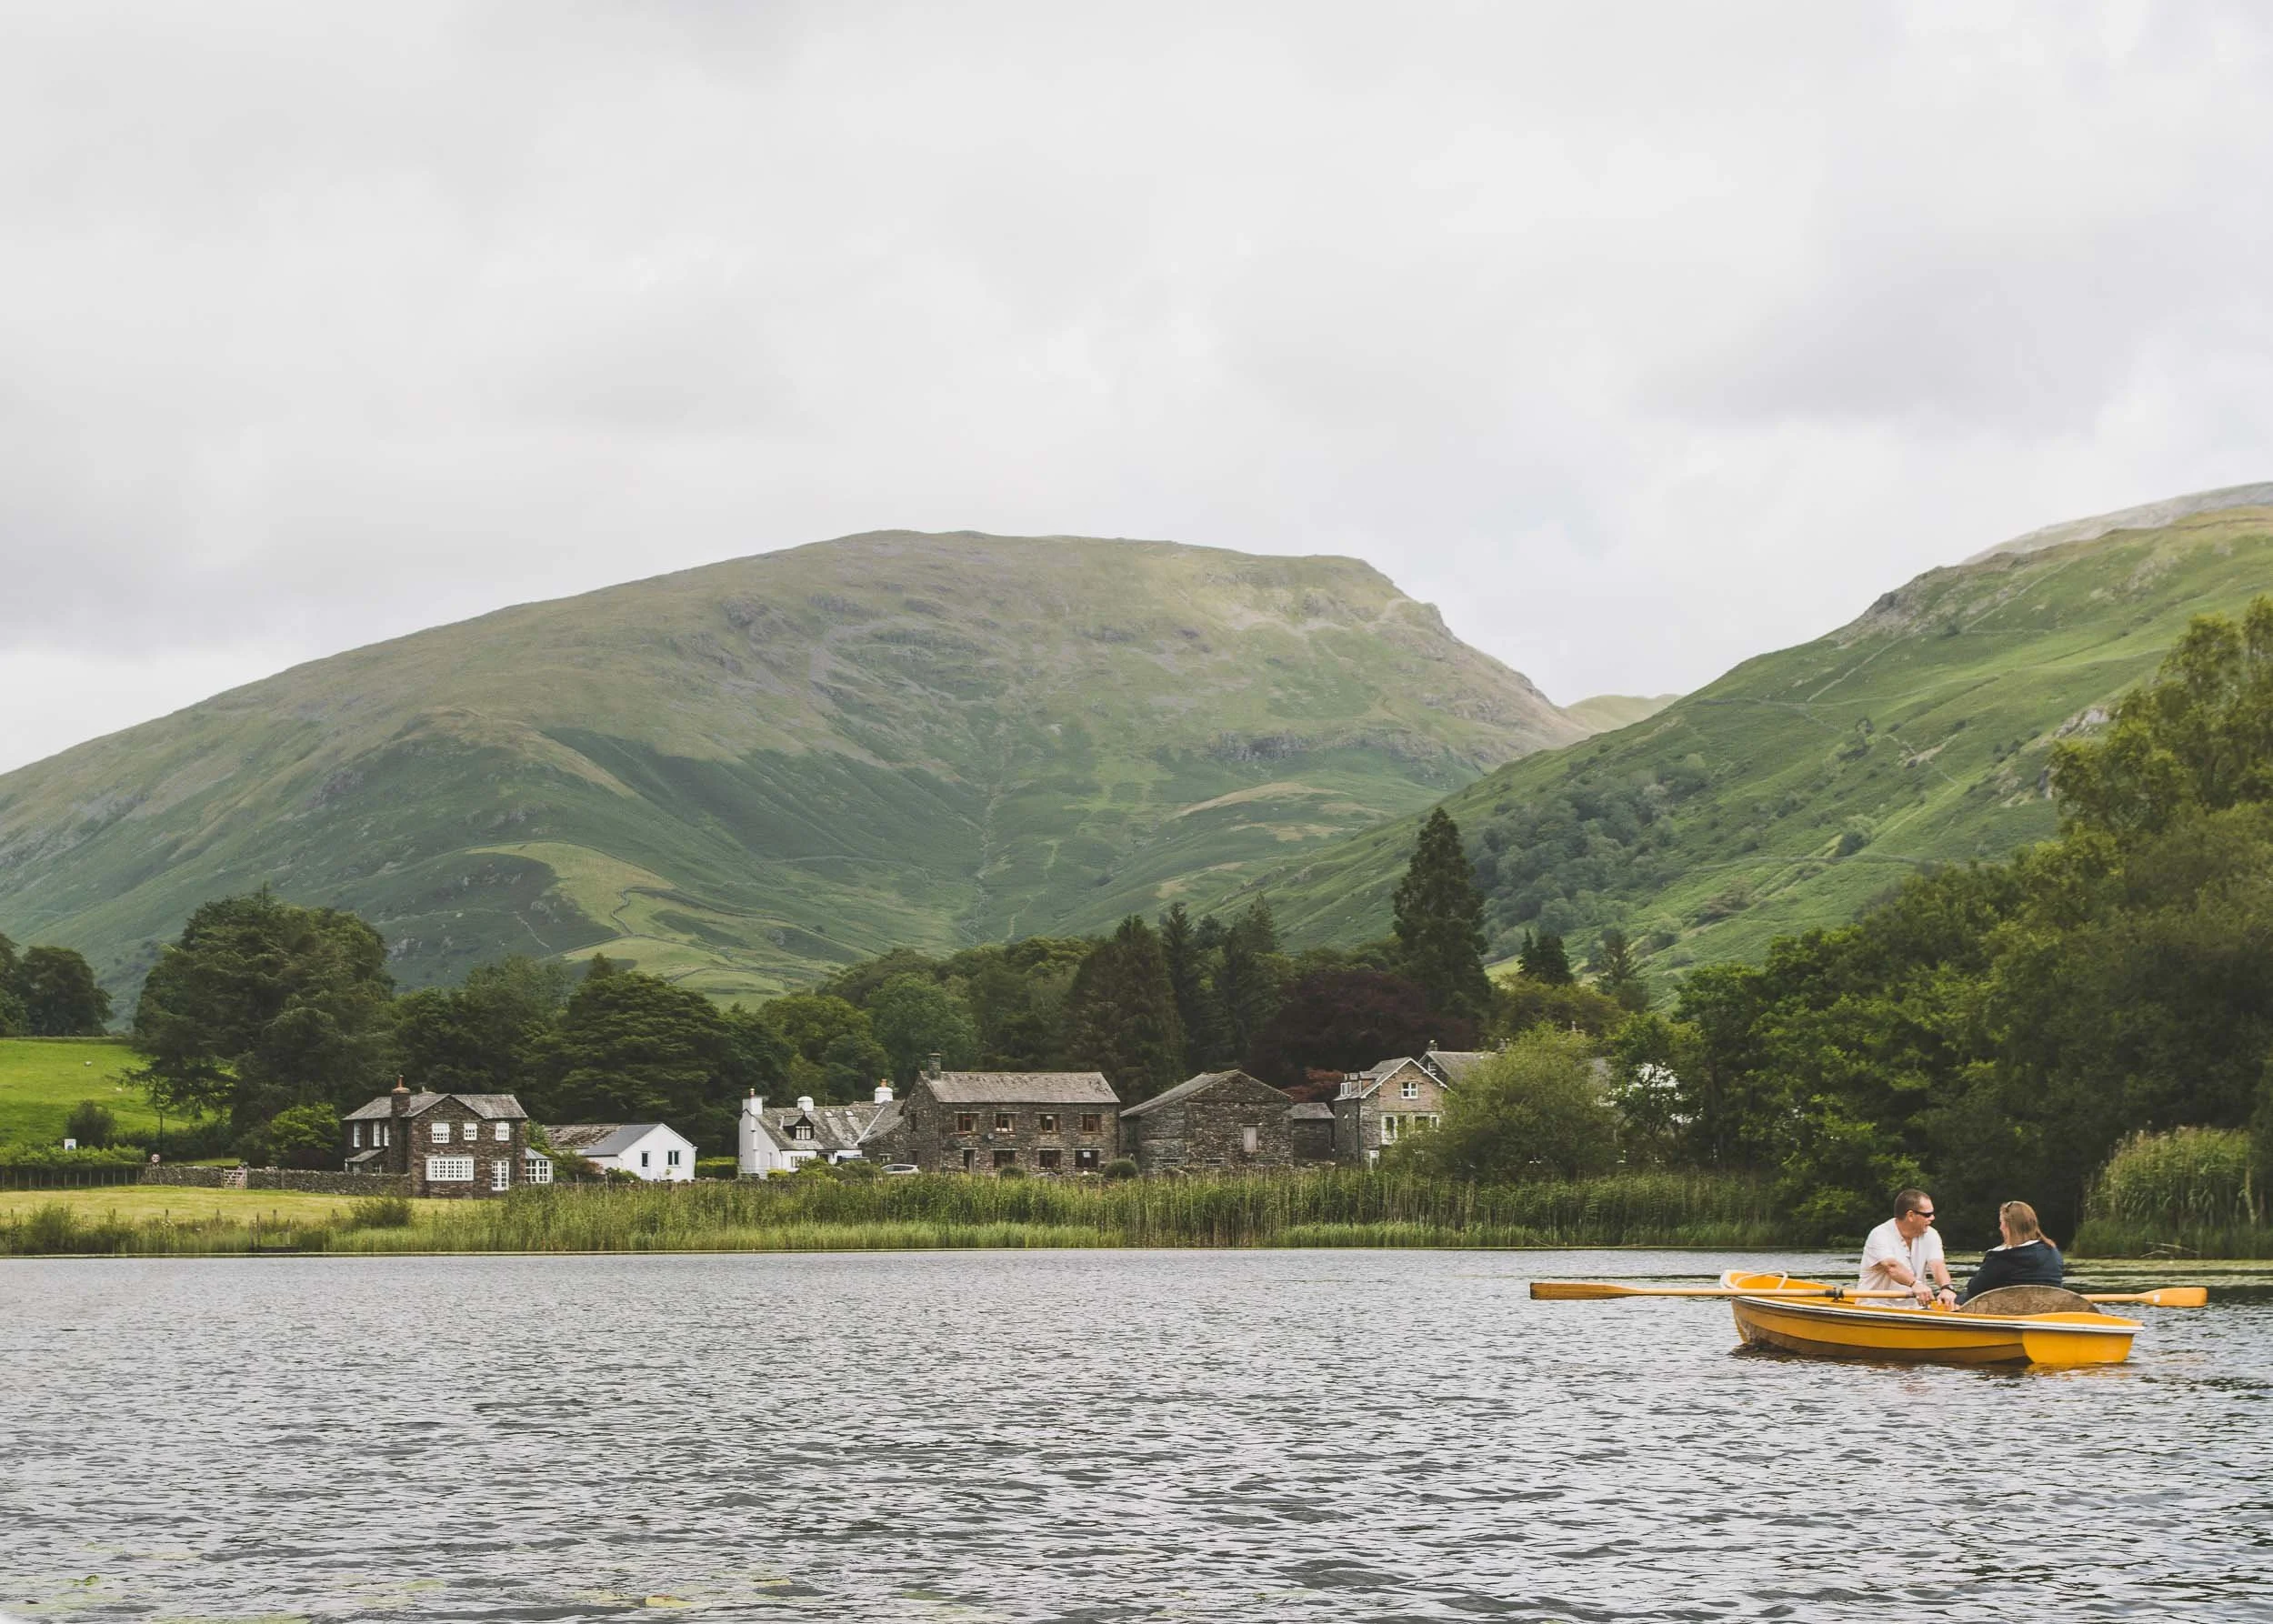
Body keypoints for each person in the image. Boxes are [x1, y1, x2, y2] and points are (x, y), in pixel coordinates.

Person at [1859, 1188, 1954, 1307]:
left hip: (1915, 1308)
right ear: (1910, 1215)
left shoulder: (1931, 1234)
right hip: (1876, 1305)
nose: (1932, 1218)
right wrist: (1915, 1284)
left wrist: (1946, 1287)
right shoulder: (1880, 1234)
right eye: (1927, 1214)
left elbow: (1937, 1265)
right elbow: (1891, 1266)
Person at [1957, 1201, 2064, 1304]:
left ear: (2008, 1227)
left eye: (2001, 1223)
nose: (2000, 1227)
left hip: (2007, 1315)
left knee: (1959, 1300)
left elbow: (1974, 1290)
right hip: (2047, 1314)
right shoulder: (2053, 1253)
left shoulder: (2000, 1257)